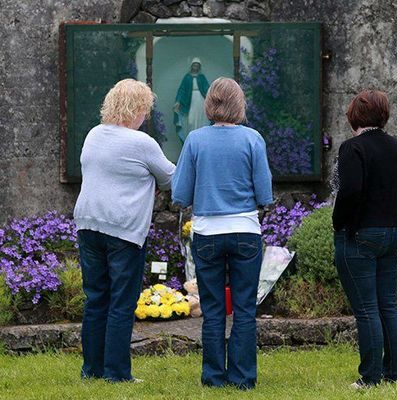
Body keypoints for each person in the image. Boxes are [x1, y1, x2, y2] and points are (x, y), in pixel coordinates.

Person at [172, 77, 273, 390]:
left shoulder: (195, 139)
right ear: (239, 105)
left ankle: (214, 377)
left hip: (207, 232)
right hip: (244, 230)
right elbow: (265, 194)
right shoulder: (253, 139)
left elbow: (180, 193)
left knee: (213, 308)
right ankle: (243, 377)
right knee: (244, 308)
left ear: (209, 104)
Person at [73, 79, 176, 382]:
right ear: (138, 108)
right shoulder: (141, 143)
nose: (146, 115)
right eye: (145, 109)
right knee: (121, 302)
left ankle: (91, 370)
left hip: (88, 224)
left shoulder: (94, 135)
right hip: (123, 230)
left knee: (96, 299)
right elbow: (172, 179)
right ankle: (117, 373)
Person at [332, 90, 397, 389]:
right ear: (384, 115)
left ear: (353, 115)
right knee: (388, 304)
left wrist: (340, 222)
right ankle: (395, 372)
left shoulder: (352, 148)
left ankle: (370, 377)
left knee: (367, 308)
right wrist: (392, 208)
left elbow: (350, 191)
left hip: (361, 235)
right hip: (393, 233)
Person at [174, 57, 210, 142]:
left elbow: (207, 89)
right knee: (191, 121)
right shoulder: (187, 77)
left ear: (199, 67)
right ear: (192, 66)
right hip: (190, 100)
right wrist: (178, 101)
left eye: (197, 65)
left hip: (201, 100)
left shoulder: (201, 77)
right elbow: (182, 90)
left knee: (201, 119)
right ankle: (192, 138)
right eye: (194, 65)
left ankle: (201, 139)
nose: (195, 67)